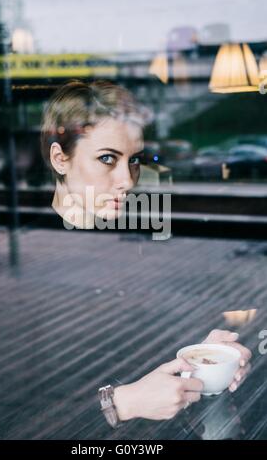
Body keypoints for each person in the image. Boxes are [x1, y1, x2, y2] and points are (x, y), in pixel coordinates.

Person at [40, 80, 252, 425]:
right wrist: (119, 404)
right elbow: (2, 405)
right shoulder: (16, 254)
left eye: (134, 160)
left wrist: (203, 352)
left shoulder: (123, 239)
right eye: (107, 158)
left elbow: (123, 348)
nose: (127, 179)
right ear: (60, 159)